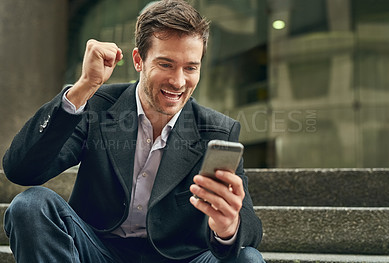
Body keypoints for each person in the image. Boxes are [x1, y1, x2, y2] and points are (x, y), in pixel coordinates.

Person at [3, 0, 264, 262]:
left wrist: (227, 227)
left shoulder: (217, 130)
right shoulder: (96, 106)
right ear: (139, 60)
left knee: (249, 259)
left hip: (178, 258)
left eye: (190, 67)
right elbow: (21, 169)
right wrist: (82, 88)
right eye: (166, 64)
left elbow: (250, 227)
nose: (178, 81)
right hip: (97, 250)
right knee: (30, 205)